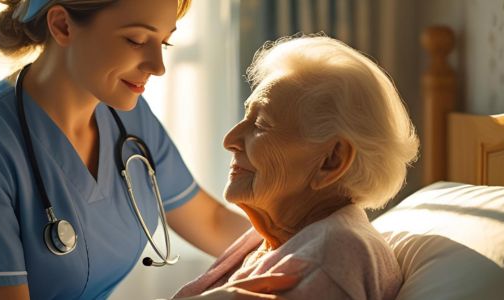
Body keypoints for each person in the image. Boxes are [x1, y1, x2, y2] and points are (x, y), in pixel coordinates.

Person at [0, 0, 254, 299]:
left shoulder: (132, 119)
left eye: (163, 41)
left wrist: (299, 246)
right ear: (62, 25)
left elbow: (210, 222)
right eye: (136, 40)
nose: (158, 65)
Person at [173, 35, 419, 299]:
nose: (230, 140)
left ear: (331, 161)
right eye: (246, 117)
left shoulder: (331, 256)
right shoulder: (272, 239)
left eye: (261, 124)